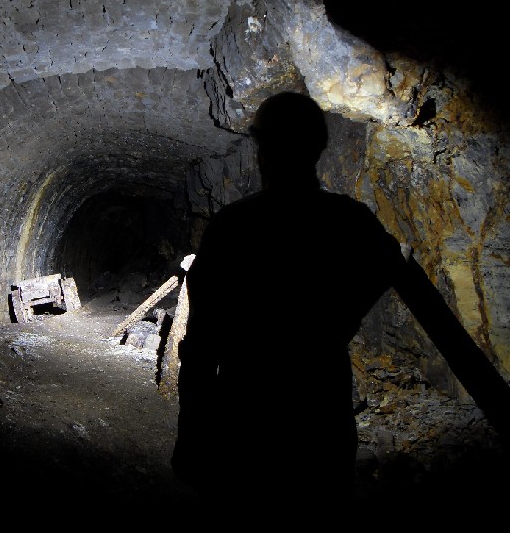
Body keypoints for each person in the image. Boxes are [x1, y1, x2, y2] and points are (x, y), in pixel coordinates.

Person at [171, 91, 410, 516]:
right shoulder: (350, 221)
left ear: (263, 151)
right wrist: (343, 319)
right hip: (321, 408)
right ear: (318, 148)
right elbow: (391, 264)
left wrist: (191, 437)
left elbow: (202, 344)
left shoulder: (234, 226)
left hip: (248, 410)